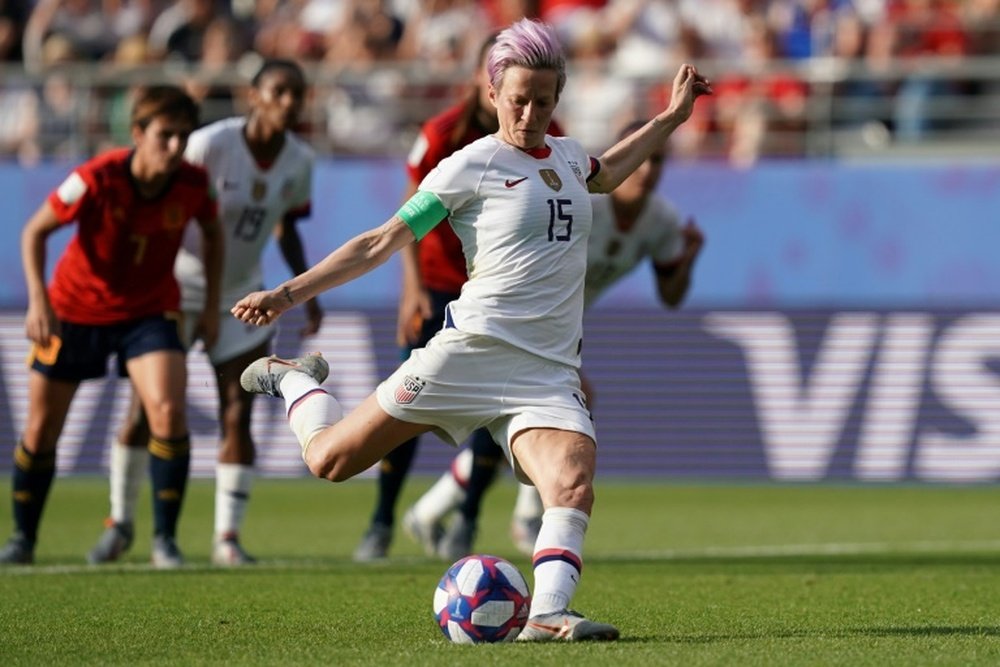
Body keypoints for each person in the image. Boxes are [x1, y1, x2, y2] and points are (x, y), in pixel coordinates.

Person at [233, 18, 710, 641]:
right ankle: (296, 382)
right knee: (330, 460)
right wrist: (287, 293)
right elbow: (381, 241)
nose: (531, 112)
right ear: (493, 94)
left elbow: (608, 172)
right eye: (518, 99)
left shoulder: (567, 156)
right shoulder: (469, 166)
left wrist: (672, 117)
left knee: (572, 480)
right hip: (470, 352)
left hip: (547, 369)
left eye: (544, 99)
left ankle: (546, 615)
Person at [406, 117, 706, 561]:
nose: (647, 169)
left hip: (557, 332)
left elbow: (671, 296)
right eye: (642, 158)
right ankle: (523, 513)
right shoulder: (583, 198)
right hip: (514, 321)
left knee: (534, 416)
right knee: (558, 409)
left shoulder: (661, 220)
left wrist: (687, 261)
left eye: (657, 160)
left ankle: (434, 511)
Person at [87, 59, 321, 568]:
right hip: (174, 290)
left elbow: (285, 226)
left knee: (238, 413)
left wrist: (306, 290)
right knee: (145, 412)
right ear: (253, 95)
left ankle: (227, 539)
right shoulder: (211, 143)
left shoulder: (300, 161)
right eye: (278, 90)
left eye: (296, 93)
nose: (288, 101)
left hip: (242, 295)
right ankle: (120, 523)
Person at [352, 32, 565, 563]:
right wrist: (411, 289)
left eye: (540, 98)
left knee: (498, 411)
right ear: (485, 82)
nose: (529, 109)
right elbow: (406, 214)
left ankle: (466, 520)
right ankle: (380, 520)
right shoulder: (442, 135)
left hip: (496, 296)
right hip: (438, 285)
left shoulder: (548, 134)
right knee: (403, 406)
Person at [1, 85, 222, 567]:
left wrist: (210, 305)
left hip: (149, 311)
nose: (176, 147)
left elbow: (213, 230)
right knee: (40, 432)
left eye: (184, 137)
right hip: (75, 311)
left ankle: (165, 541)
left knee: (167, 411)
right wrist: (38, 301)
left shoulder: (193, 183)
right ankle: (22, 539)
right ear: (138, 133)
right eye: (165, 135)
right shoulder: (95, 177)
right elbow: (33, 230)